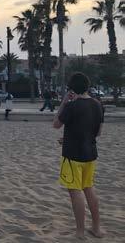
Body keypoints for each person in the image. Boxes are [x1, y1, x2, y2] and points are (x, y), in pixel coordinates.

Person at [53, 72, 104, 240]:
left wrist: (64, 102)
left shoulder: (71, 106)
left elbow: (56, 125)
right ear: (87, 86)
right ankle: (96, 228)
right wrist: (69, 137)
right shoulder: (97, 105)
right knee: (89, 188)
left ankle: (80, 232)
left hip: (73, 156)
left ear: (72, 89)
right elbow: (97, 133)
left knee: (75, 192)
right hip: (90, 153)